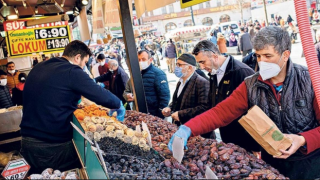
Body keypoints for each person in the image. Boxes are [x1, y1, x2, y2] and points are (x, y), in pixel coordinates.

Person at [168, 26, 320, 179]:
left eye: (268, 56)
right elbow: (221, 113)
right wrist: (188, 128)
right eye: (258, 56)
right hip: (272, 166)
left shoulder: (310, 80)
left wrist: (302, 139)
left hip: (310, 164)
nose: (262, 62)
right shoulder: (250, 85)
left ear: (285, 54)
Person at [20, 40, 125, 174]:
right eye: (84, 62)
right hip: (52, 146)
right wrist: (118, 103)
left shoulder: (39, 67)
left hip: (27, 143)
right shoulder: (71, 70)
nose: (84, 67)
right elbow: (99, 95)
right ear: (77, 58)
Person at [189, 40, 259, 152]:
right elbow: (213, 106)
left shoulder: (241, 72)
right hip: (228, 139)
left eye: (203, 62)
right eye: (199, 63)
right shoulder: (214, 73)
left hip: (246, 142)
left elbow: (256, 110)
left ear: (214, 56)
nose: (201, 67)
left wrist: (255, 147)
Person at [162, 54, 209, 126]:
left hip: (195, 128)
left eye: (179, 65)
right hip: (179, 126)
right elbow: (177, 101)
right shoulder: (180, 81)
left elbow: (204, 108)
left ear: (189, 68)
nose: (176, 67)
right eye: (176, 64)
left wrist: (180, 114)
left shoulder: (201, 82)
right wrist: (169, 108)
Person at [123, 50, 170, 118]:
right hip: (138, 113)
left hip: (153, 114)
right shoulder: (134, 74)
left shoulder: (158, 74)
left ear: (150, 60)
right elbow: (127, 90)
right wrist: (127, 96)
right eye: (139, 59)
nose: (140, 62)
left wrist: (159, 115)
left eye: (143, 59)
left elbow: (164, 96)